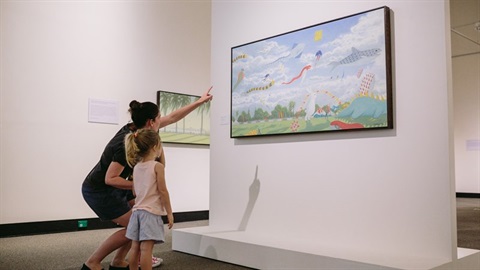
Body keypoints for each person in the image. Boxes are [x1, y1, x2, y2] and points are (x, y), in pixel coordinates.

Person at [81, 87, 212, 270]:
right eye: (159, 117)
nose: (162, 119)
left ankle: (119, 261)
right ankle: (92, 262)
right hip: (99, 190)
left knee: (137, 221)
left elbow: (173, 117)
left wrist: (199, 102)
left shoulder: (140, 131)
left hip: (117, 187)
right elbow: (110, 178)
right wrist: (139, 184)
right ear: (151, 122)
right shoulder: (124, 143)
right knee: (134, 227)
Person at [124, 129, 173, 270]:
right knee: (146, 250)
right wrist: (169, 212)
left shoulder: (137, 167)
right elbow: (163, 191)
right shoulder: (158, 166)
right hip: (150, 214)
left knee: (135, 248)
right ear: (155, 147)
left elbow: (134, 190)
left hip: (137, 213)